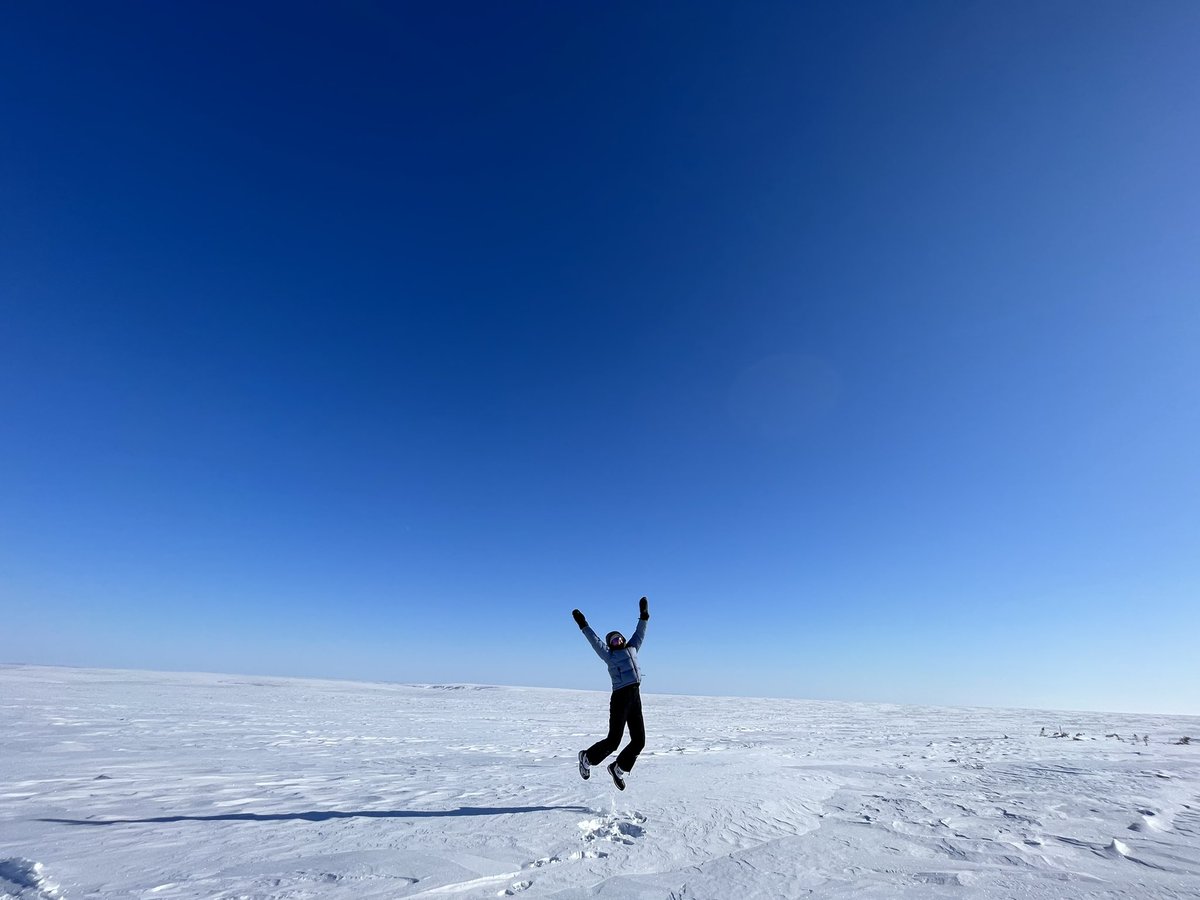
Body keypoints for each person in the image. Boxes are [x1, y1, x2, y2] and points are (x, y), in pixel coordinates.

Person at [571, 596, 649, 791]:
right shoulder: (609, 655)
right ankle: (587, 757)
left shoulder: (632, 648)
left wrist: (644, 616)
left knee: (639, 741)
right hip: (620, 699)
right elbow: (594, 640)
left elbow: (639, 633)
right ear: (610, 644)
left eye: (619, 637)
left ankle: (619, 768)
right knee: (614, 741)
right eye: (613, 640)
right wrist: (583, 624)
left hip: (635, 697)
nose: (618, 640)